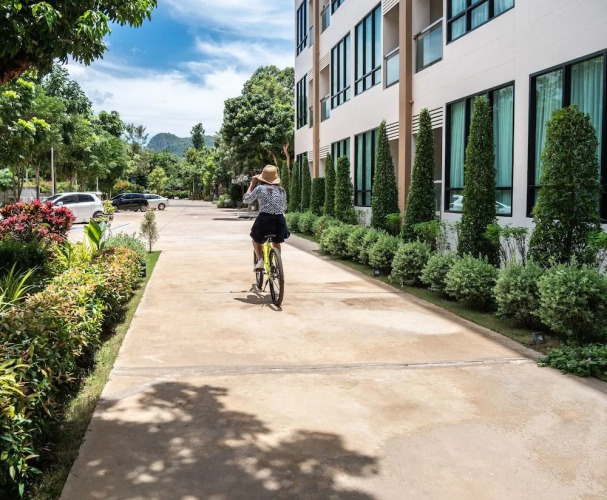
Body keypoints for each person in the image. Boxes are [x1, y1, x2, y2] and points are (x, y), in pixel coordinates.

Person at [243, 165, 288, 270]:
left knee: (255, 239)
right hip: (279, 221)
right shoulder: (282, 190)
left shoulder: (260, 188)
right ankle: (278, 265)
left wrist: (252, 184)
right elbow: (284, 207)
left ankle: (260, 260)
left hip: (264, 220)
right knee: (276, 242)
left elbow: (246, 200)